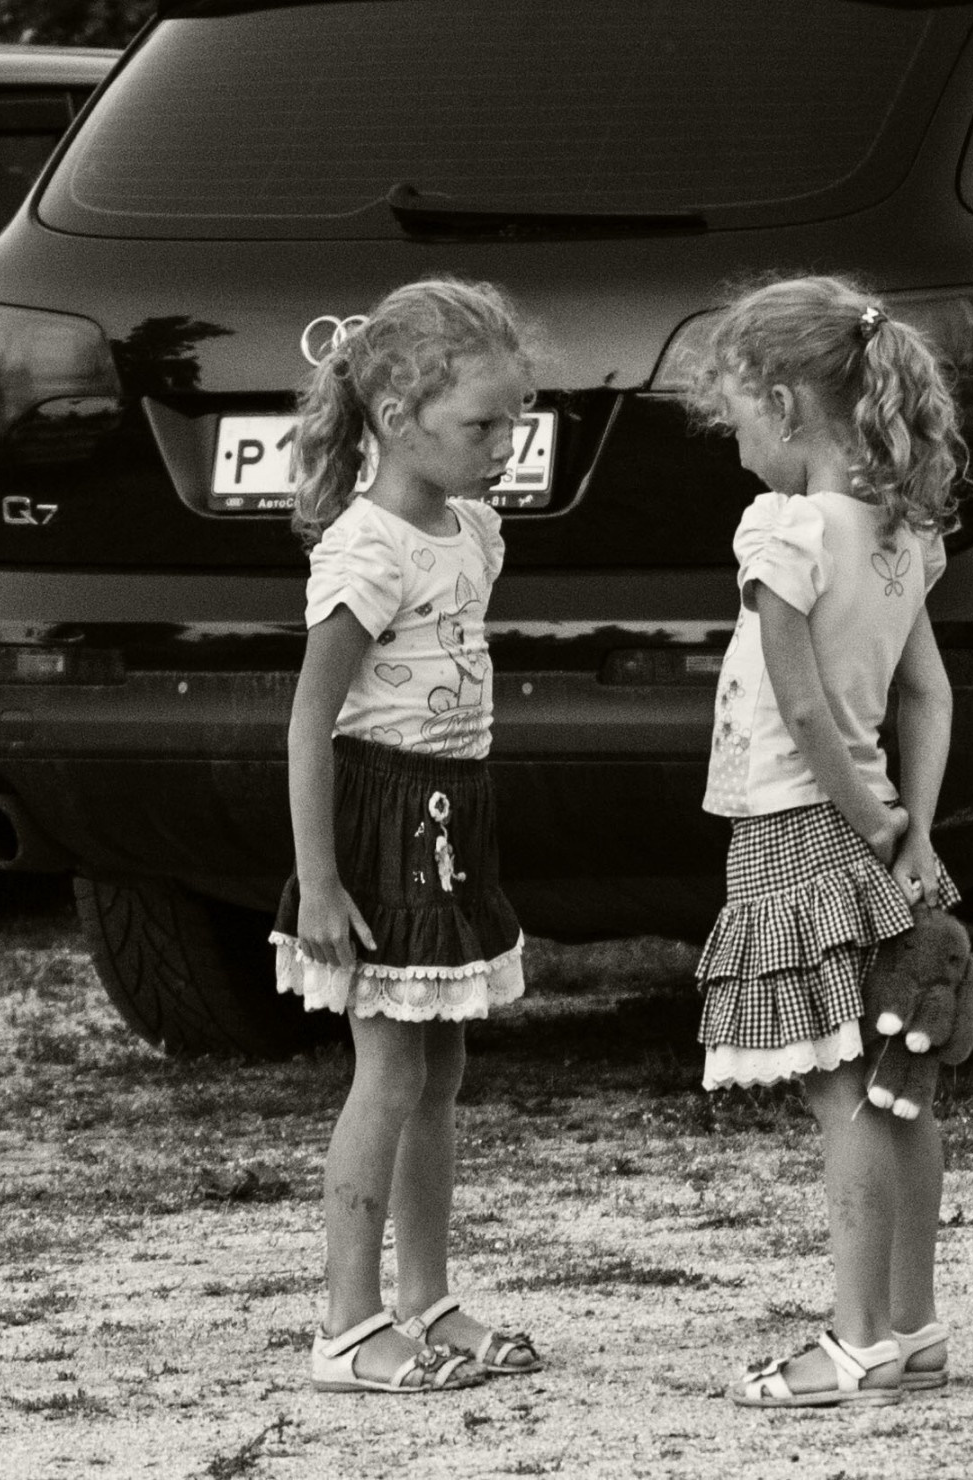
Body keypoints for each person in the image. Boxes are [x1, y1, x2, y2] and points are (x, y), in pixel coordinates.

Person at [679, 275, 966, 1408]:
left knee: (840, 1089)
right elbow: (930, 697)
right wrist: (911, 833)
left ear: (789, 406)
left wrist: (859, 818)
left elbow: (800, 710)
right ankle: (912, 1325)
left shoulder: (783, 528)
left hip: (800, 827)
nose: (741, 444)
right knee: (900, 1087)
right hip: (878, 827)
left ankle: (851, 1342)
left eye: (742, 418)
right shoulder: (900, 536)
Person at [273, 278, 543, 1394]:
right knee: (387, 1070)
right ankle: (347, 1324)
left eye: (512, 422)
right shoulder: (366, 549)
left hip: (452, 811)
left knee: (441, 1065)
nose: (503, 446)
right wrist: (320, 881)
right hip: (383, 824)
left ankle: (427, 1298)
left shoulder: (471, 530)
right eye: (481, 425)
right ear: (395, 416)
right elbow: (309, 721)